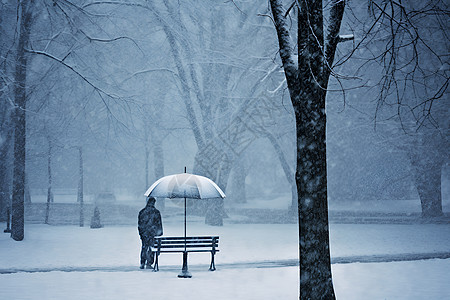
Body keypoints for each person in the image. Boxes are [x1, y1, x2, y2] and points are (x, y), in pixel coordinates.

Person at [138, 196, 163, 269]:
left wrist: (141, 233)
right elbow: (159, 224)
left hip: (144, 233)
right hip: (153, 233)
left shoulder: (142, 212)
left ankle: (142, 262)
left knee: (144, 247)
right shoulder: (156, 212)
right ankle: (149, 263)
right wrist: (159, 232)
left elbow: (140, 224)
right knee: (152, 248)